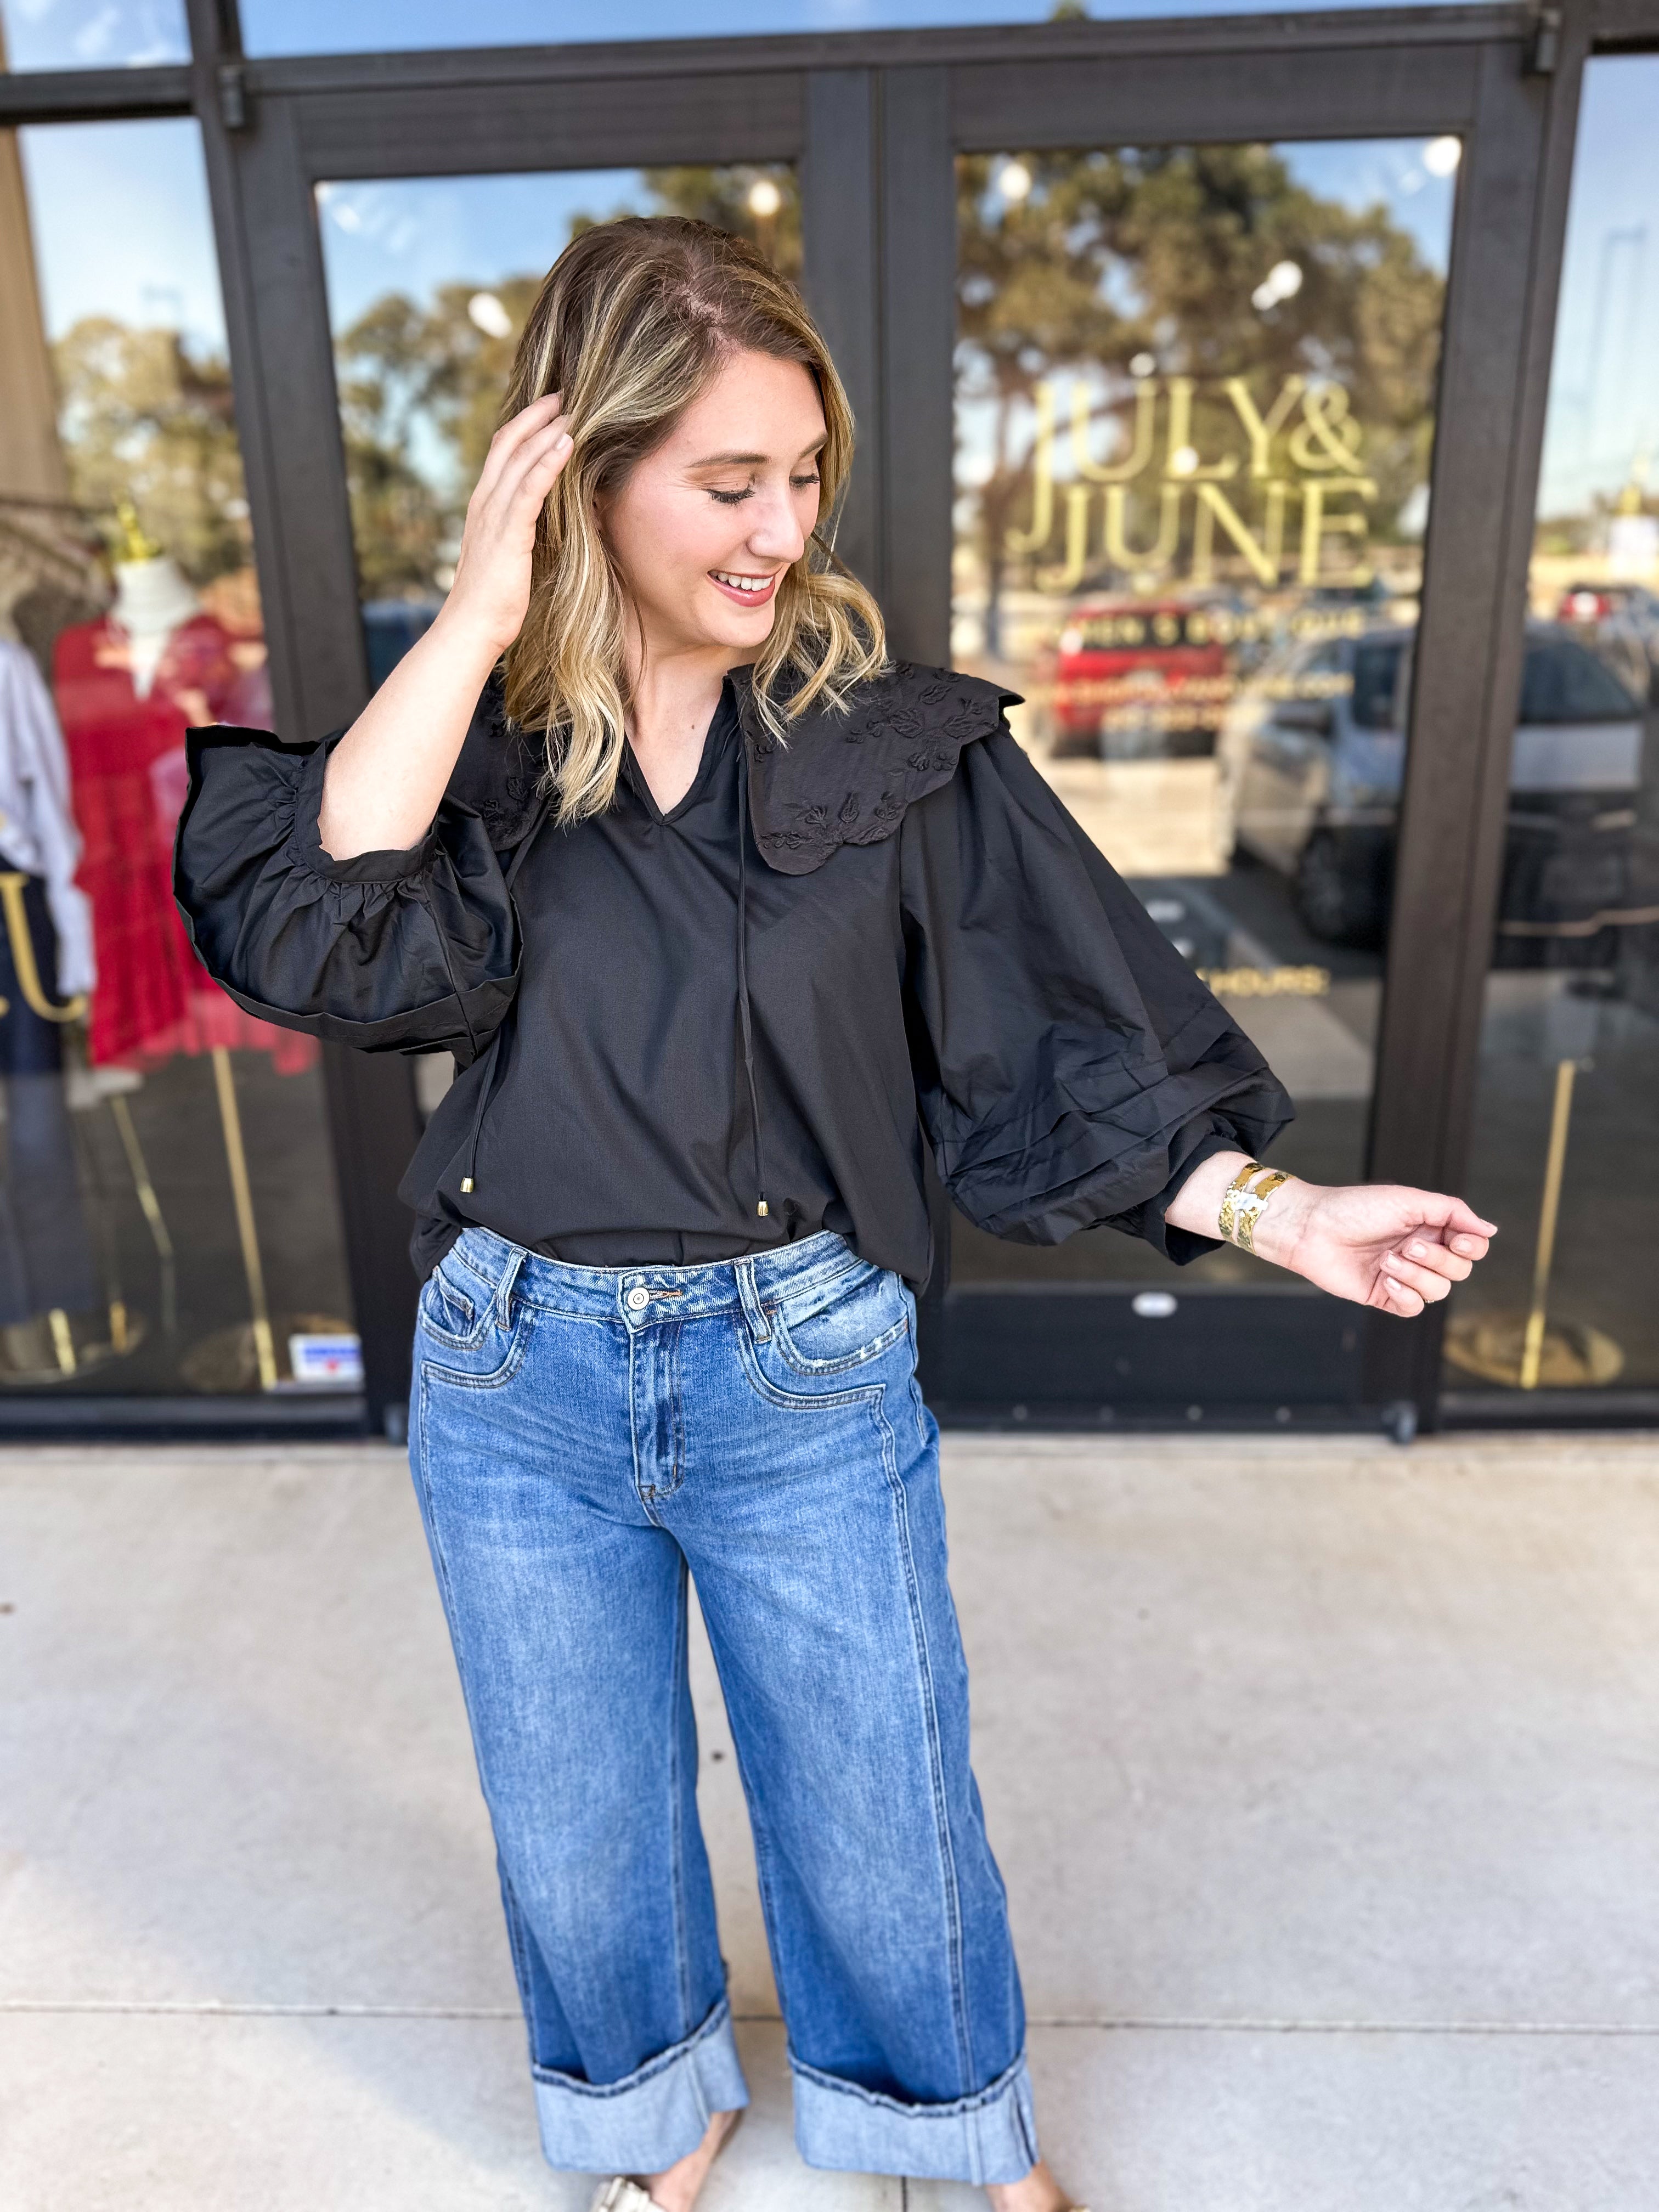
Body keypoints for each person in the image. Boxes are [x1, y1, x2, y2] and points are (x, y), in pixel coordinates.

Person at [175, 218, 1495, 2212]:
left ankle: (948, 2138)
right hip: (511, 1366)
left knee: (883, 1807)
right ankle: (654, 2112)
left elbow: (1060, 1016)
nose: (778, 525)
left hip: (794, 1358)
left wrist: (1276, 1206)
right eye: (726, 481)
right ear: (584, 473)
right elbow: (326, 930)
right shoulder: (481, 752)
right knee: (579, 1820)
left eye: (803, 475)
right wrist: (469, 619)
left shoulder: (888, 747)